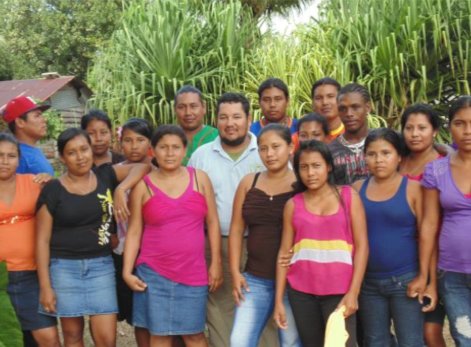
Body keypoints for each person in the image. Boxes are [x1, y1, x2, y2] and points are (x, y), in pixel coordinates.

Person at [36, 128, 149, 347]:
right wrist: (45, 287)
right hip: (64, 268)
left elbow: (143, 167)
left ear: (91, 150)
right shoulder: (52, 190)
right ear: (62, 157)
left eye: (84, 149)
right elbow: (41, 241)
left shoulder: (105, 175)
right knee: (72, 335)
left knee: (107, 338)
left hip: (101, 266)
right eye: (72, 152)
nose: (80, 157)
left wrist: (120, 188)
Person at [123, 125, 222, 347]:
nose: (170, 153)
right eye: (163, 147)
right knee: (159, 335)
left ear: (185, 150)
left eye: (176, 147)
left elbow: (213, 223)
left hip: (193, 271)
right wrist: (127, 271)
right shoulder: (143, 186)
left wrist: (215, 263)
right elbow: (134, 232)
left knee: (194, 334)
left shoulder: (200, 179)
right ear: (153, 151)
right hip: (153, 272)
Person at [188, 93, 272, 347]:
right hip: (217, 245)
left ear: (249, 119)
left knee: (263, 304)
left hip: (262, 243)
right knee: (220, 305)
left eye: (237, 116)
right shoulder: (201, 156)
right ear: (216, 120)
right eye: (223, 117)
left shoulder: (266, 151)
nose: (230, 123)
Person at [274, 140, 369, 347]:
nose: (310, 173)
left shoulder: (348, 196)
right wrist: (279, 301)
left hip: (340, 291)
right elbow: (284, 254)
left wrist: (353, 292)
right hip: (302, 292)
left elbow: (362, 247)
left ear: (328, 166)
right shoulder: (293, 204)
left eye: (316, 166)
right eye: (304, 167)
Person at [353, 128, 427, 347]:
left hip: (405, 280)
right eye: (372, 154)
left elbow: (426, 235)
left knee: (410, 341)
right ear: (364, 157)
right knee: (375, 341)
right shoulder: (357, 189)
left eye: (386, 153)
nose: (379, 160)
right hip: (368, 283)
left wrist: (423, 276)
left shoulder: (413, 189)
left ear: (399, 156)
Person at [228, 124, 301, 347]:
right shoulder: (249, 182)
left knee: (291, 343)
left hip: (294, 280)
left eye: (276, 147)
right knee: (239, 341)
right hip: (255, 278)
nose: (269, 154)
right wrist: (235, 272)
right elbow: (236, 230)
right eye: (263, 148)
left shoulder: (302, 183)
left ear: (290, 147)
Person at [418, 96, 471, 346]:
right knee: (464, 336)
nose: (467, 130)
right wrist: (428, 277)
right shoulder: (436, 170)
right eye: (460, 123)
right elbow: (428, 225)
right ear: (450, 127)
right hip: (452, 273)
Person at [0, 133, 60, 347]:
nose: (5, 161)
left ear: (19, 159)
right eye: (0, 155)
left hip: (32, 274)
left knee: (48, 338)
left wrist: (51, 181)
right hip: (0, 278)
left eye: (11, 156)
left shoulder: (35, 183)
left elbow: (64, 200)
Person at [399, 104, 446, 347]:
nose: (415, 134)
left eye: (422, 128)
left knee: (430, 331)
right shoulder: (398, 162)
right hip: (404, 255)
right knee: (411, 329)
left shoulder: (443, 163)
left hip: (437, 253)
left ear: (434, 131)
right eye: (409, 128)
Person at [114, 118, 153, 347]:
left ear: (149, 143)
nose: (134, 146)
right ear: (120, 144)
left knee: (155, 313)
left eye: (140, 140)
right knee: (137, 317)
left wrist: (123, 188)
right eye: (128, 140)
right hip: (122, 251)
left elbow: (146, 167)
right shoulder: (113, 172)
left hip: (152, 252)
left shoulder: (158, 170)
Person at [329, 83, 371, 185]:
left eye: (355, 107)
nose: (349, 114)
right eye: (342, 109)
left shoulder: (384, 141)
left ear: (368, 108)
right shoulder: (330, 151)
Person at [2, 96, 54, 176]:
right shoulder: (16, 156)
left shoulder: (32, 150)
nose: (44, 120)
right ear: (20, 122)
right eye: (37, 116)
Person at [174, 85, 219, 165]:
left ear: (204, 107)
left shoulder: (217, 136)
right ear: (174, 110)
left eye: (193, 106)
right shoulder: (166, 137)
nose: (188, 112)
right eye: (181, 107)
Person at [311, 77, 344, 142]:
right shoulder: (303, 137)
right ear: (312, 104)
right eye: (318, 98)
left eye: (330, 96)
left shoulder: (354, 134)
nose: (325, 102)